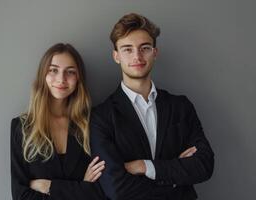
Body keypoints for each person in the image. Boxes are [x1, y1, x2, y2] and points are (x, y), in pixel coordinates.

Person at [90, 13, 214, 200]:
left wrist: (144, 166)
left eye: (145, 48)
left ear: (155, 52)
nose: (137, 56)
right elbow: (116, 189)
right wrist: (174, 177)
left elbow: (204, 165)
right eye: (127, 49)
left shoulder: (181, 106)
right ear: (116, 56)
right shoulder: (100, 117)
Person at [11, 43, 107, 200]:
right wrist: (82, 187)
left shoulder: (91, 124)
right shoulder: (21, 127)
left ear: (78, 79)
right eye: (53, 70)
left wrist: (48, 186)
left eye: (70, 72)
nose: (61, 79)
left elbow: (101, 192)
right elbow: (20, 196)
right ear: (43, 75)